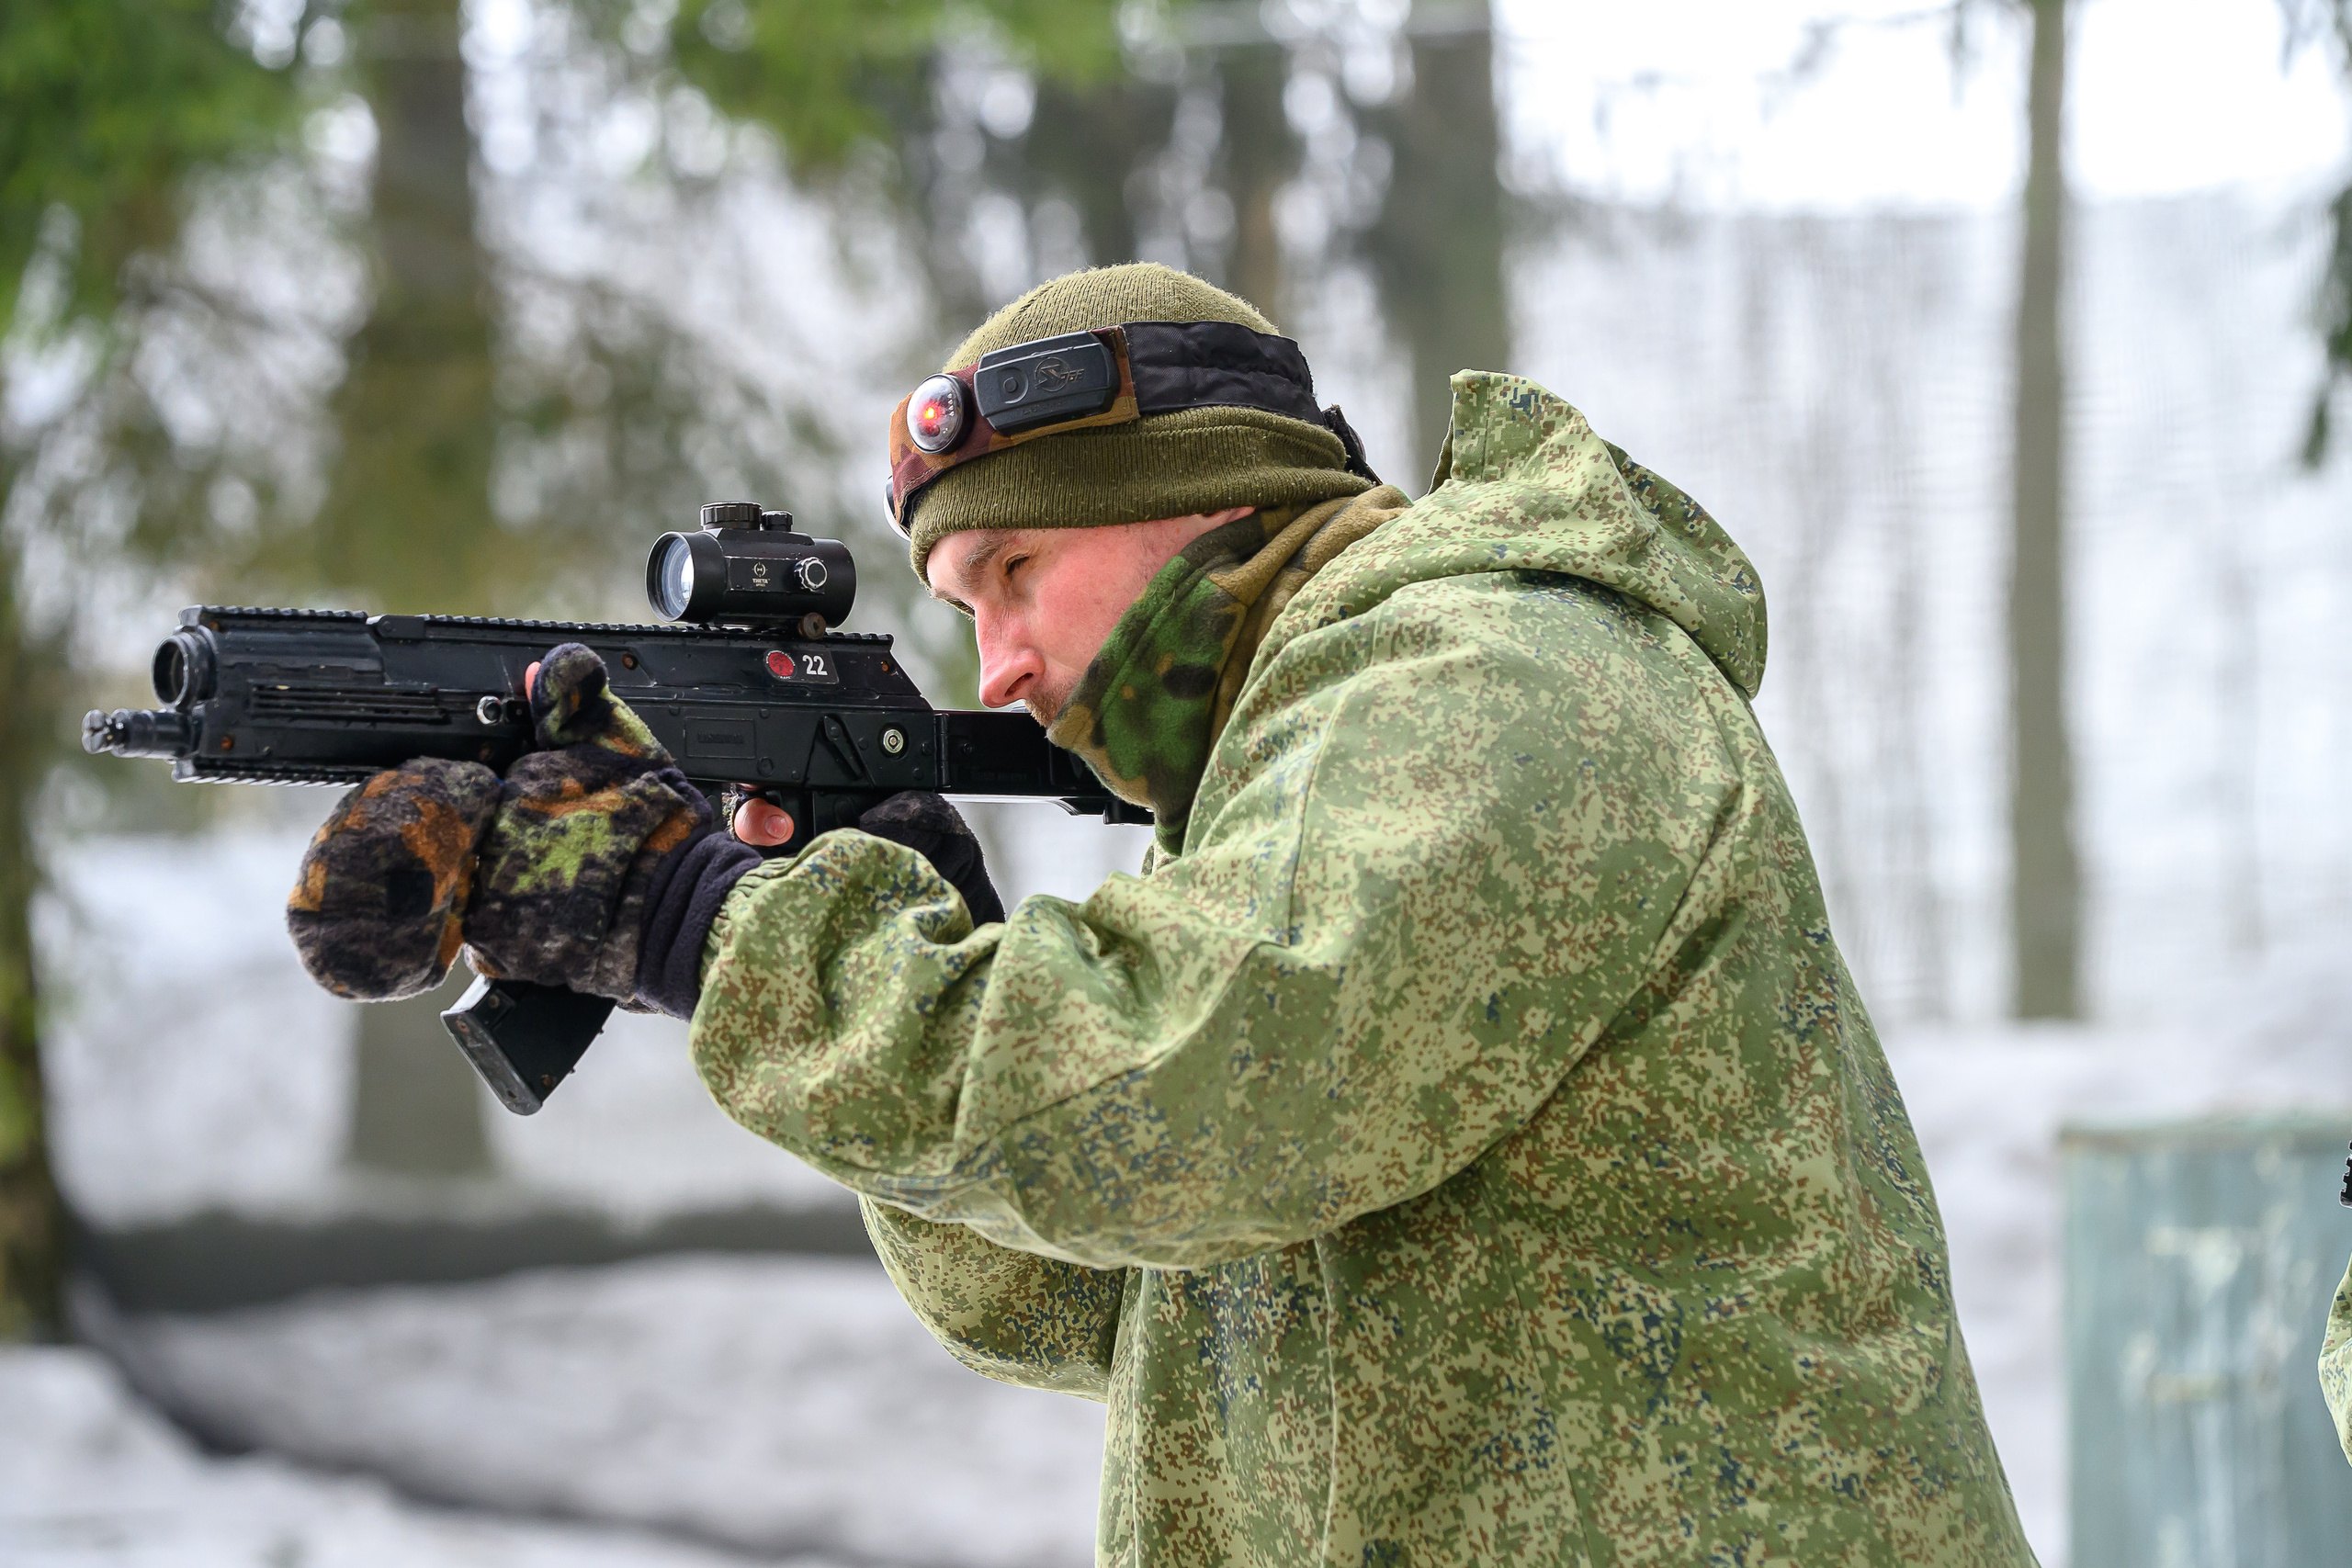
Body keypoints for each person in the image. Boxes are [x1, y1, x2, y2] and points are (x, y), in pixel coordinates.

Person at [288, 263, 2037, 1565]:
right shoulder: (1295, 781)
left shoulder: (1503, 673)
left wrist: (693, 915)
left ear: (1189, 495)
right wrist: (911, 944)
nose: (1007, 668)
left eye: (1016, 578)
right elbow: (1101, 1291)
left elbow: (1190, 1102)